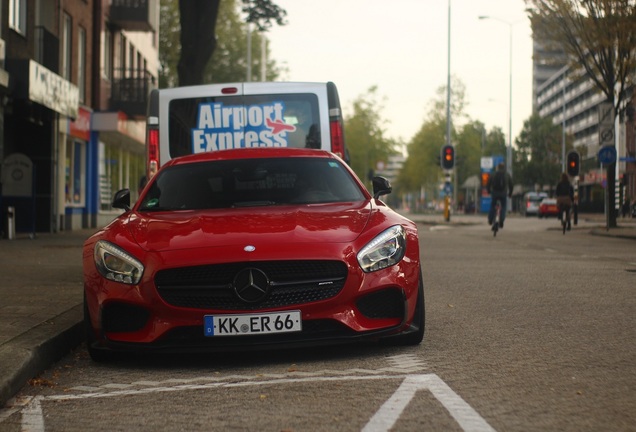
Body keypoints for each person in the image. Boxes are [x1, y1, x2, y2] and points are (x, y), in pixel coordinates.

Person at [487, 162, 513, 228]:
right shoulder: (507, 175)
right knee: (503, 207)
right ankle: (501, 220)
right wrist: (510, 193)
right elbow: (511, 185)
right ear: (504, 168)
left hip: (494, 193)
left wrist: (489, 191)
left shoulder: (493, 174)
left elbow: (488, 183)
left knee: (493, 206)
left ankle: (490, 219)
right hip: (503, 194)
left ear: (497, 167)